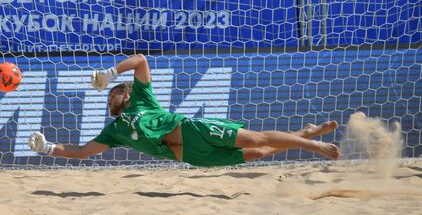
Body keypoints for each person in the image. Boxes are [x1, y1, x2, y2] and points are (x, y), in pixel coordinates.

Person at [28, 54, 340, 166]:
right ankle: (304, 133)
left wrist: (110, 74)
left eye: (111, 96)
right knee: (257, 155)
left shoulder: (141, 100)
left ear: (125, 94)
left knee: (257, 138)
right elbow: (82, 152)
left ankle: (314, 144)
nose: (107, 101)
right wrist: (48, 148)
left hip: (192, 129)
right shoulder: (115, 131)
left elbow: (140, 60)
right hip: (191, 156)